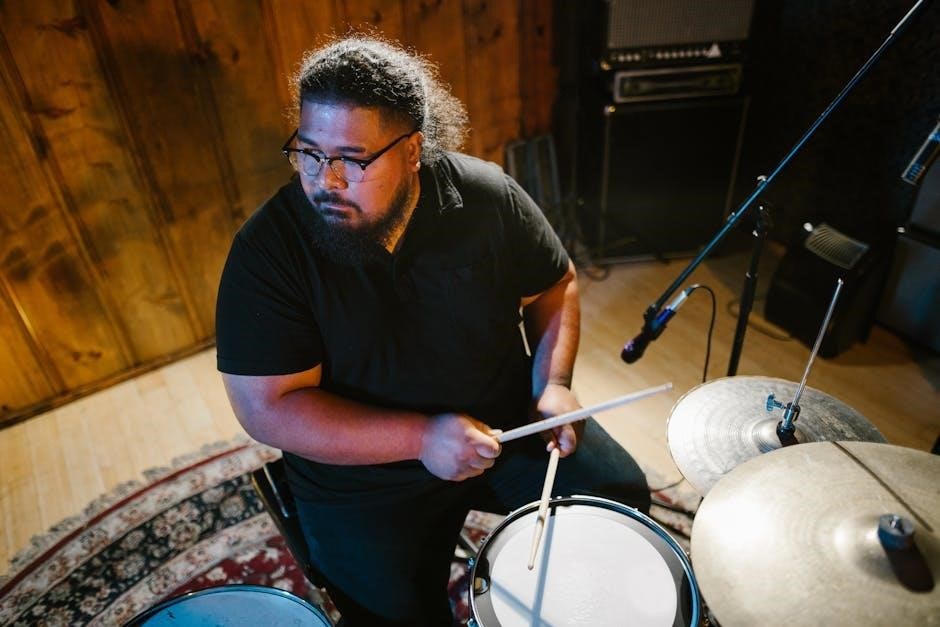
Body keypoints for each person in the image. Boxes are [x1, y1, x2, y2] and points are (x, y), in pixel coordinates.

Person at [216, 35, 649, 626]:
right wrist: (421, 439)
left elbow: (555, 283)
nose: (326, 180)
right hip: (362, 473)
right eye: (309, 153)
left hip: (504, 421)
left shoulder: (486, 197)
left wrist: (552, 384)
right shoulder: (269, 250)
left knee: (620, 503)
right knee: (387, 616)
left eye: (353, 158)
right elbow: (267, 409)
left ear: (413, 149)